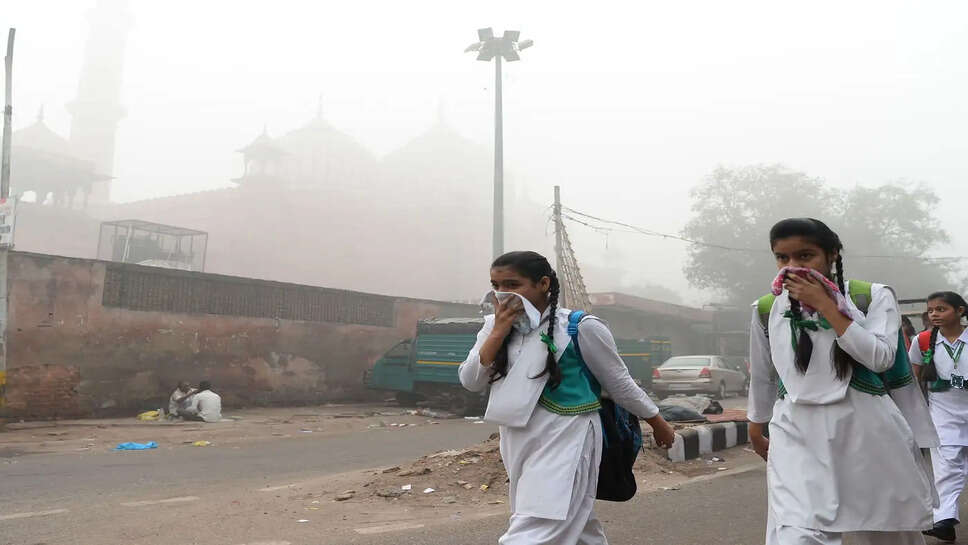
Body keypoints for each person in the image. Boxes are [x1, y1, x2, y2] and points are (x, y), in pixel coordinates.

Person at [459, 251, 675, 545]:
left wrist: (657, 421)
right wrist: (498, 331)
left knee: (540, 522)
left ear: (543, 283)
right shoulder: (494, 326)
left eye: (513, 284)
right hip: (516, 434)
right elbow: (471, 380)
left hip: (568, 433)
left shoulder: (580, 327)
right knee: (572, 520)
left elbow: (619, 382)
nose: (503, 294)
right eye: (496, 286)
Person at [747, 218, 934, 545]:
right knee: (796, 532)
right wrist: (756, 424)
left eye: (805, 256)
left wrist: (828, 307)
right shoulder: (766, 308)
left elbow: (880, 358)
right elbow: (763, 375)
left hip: (865, 428)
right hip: (795, 430)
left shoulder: (871, 296)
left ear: (832, 255)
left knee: (883, 529)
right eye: (782, 258)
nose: (793, 268)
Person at [910, 291, 968, 542]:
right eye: (931, 310)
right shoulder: (922, 341)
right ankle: (943, 520)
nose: (934, 314)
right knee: (946, 466)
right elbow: (912, 377)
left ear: (960, 311)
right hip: (942, 412)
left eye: (941, 309)